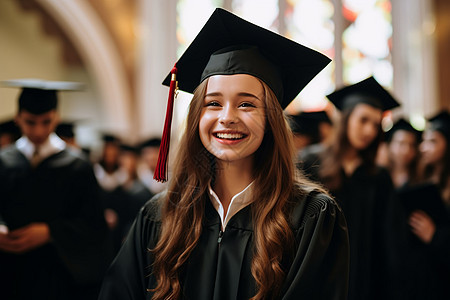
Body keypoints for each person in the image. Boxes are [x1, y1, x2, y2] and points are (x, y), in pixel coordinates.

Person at [98, 8, 349, 300]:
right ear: (196, 117)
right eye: (213, 103)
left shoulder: (309, 216)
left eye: (246, 104)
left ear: (271, 120)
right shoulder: (159, 215)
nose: (227, 117)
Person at [0, 79, 113, 300]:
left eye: (46, 121)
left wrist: (51, 232)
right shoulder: (4, 160)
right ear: (18, 119)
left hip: (57, 275)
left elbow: (94, 225)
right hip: (8, 270)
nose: (39, 130)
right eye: (30, 122)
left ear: (56, 118)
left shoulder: (77, 165)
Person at [298, 76, 400, 299]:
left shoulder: (378, 176)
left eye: (375, 124)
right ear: (345, 119)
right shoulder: (308, 162)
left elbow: (387, 238)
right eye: (363, 120)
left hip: (364, 277)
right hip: (317, 274)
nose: (369, 131)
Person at [392, 110, 450, 299]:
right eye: (423, 141)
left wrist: (435, 236)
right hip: (418, 279)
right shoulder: (418, 180)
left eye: (433, 142)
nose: (423, 147)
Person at [383, 118, 422, 189]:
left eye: (411, 145)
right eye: (401, 143)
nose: (406, 150)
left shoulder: (420, 180)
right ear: (389, 145)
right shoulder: (378, 176)